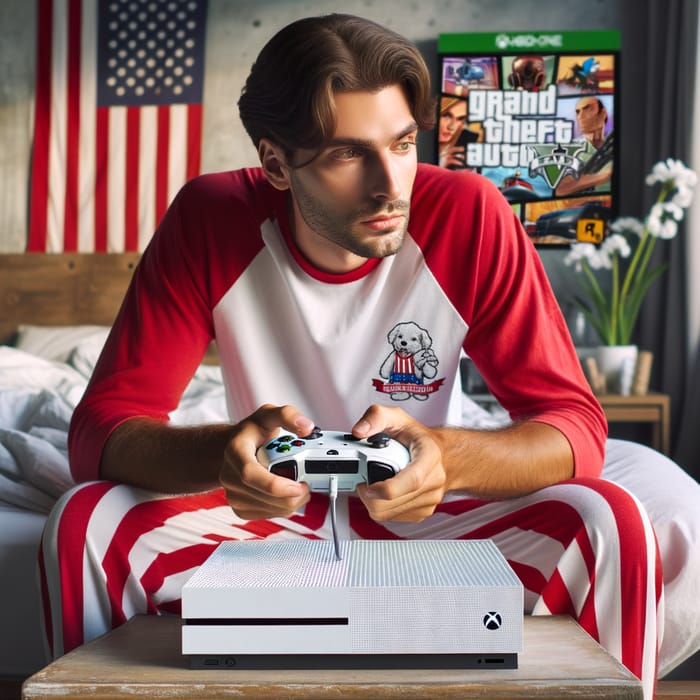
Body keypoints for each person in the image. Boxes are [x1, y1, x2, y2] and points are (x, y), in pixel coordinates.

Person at [40, 14, 679, 700]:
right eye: (348, 154)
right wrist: (226, 450)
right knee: (84, 519)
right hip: (266, 510)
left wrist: (443, 454)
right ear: (277, 163)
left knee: (613, 520)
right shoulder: (209, 216)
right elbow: (99, 431)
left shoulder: (471, 213)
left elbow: (576, 427)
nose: (389, 185)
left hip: (428, 508)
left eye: (403, 143)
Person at [555, 95, 613, 197]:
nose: (580, 116)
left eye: (587, 109)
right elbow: (560, 189)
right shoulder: (572, 149)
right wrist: (601, 176)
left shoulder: (613, 144)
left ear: (603, 113)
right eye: (578, 112)